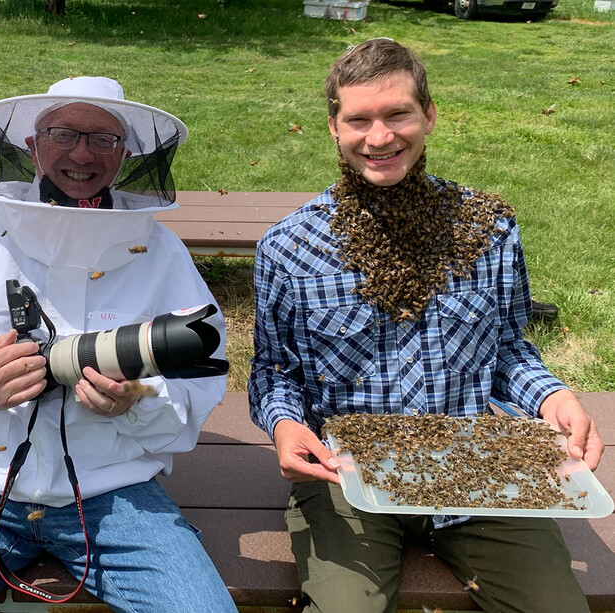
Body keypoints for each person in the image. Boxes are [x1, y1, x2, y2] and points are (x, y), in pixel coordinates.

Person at [0, 76, 235, 613]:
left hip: (111, 491)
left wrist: (136, 401)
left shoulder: (161, 252)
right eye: (63, 133)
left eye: (104, 139)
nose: (83, 153)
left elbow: (202, 368)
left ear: (126, 154)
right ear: (31, 145)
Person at [248, 38, 603, 613]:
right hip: (347, 477)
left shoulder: (489, 230)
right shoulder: (289, 248)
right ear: (334, 127)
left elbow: (508, 348)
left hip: (474, 469)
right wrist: (286, 425)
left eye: (398, 114)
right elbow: (275, 369)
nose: (380, 137)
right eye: (359, 119)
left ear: (429, 115)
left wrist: (551, 396)